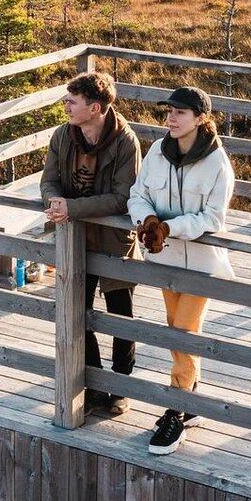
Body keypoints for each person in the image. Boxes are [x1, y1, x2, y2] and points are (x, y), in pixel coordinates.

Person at [126, 85, 234, 455]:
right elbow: (137, 195)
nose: (170, 119)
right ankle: (191, 401)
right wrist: (149, 219)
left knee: (183, 332)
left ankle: (175, 409)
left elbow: (213, 218)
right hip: (163, 259)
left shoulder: (218, 163)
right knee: (177, 329)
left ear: (200, 118)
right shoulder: (157, 151)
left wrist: (171, 227)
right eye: (169, 112)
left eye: (180, 113)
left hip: (200, 264)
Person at [40, 70, 143, 416]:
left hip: (115, 240)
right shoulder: (62, 136)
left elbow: (121, 198)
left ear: (95, 107)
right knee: (77, 311)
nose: (65, 106)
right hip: (76, 238)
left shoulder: (125, 142)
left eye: (72, 101)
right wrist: (55, 201)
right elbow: (49, 180)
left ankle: (121, 385)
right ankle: (96, 382)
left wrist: (72, 207)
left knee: (121, 314)